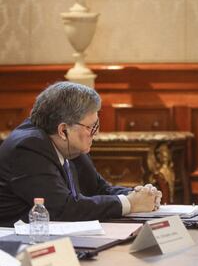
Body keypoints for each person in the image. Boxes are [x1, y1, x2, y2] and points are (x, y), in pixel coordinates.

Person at [0, 81, 162, 227]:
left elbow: (98, 189)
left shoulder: (68, 143)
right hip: (16, 246)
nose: (96, 133)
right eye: (91, 127)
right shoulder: (28, 148)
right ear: (63, 130)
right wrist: (129, 203)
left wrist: (139, 195)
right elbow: (63, 208)